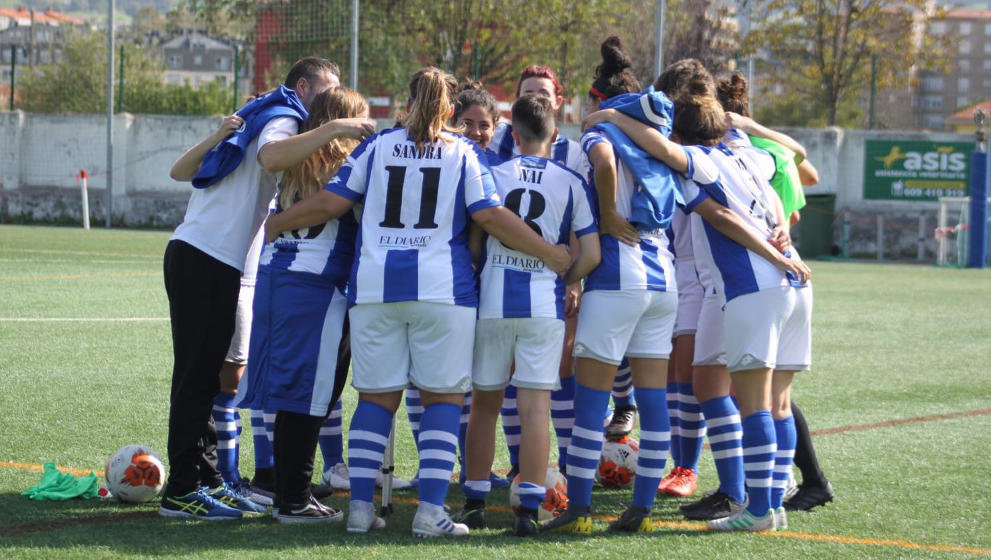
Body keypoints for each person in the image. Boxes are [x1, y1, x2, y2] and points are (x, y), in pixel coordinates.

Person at [264, 67, 571, 537]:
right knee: (443, 400)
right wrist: (550, 252)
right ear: (450, 111)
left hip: (374, 290)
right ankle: (430, 513)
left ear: (405, 105)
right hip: (441, 292)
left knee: (375, 399)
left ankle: (361, 512)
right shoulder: (463, 151)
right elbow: (489, 215)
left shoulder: (376, 146)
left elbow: (330, 202)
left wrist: (277, 223)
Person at [585, 75, 812, 532]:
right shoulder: (749, 155)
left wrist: (611, 116)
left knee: (753, 405)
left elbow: (717, 207)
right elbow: (783, 180)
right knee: (777, 404)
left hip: (755, 286)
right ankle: (773, 502)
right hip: (797, 284)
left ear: (681, 133)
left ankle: (759, 509)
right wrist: (781, 247)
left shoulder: (701, 162)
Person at [160, 56, 373, 520]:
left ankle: (207, 479)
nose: (331, 101)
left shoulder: (267, 113)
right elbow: (272, 157)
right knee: (197, 379)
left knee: (213, 378)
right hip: (205, 256)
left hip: (214, 258)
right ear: (304, 86)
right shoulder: (283, 115)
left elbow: (182, 171)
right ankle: (180, 490)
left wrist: (221, 136)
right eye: (327, 90)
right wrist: (338, 125)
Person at [545, 37, 679, 534]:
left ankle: (578, 511)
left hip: (617, 276)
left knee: (591, 403)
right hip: (662, 277)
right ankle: (640, 509)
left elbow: (601, 164)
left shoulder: (601, 129)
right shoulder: (656, 137)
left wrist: (605, 214)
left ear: (598, 99)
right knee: (653, 401)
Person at [457, 94, 600, 536]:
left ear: (511, 134)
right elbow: (591, 254)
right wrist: (563, 276)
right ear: (555, 135)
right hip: (543, 306)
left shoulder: (491, 173)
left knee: (484, 403)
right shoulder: (571, 181)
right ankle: (528, 507)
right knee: (536, 408)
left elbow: (476, 245)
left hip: (494, 302)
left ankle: (476, 502)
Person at [238, 87, 368, 522]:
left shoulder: (299, 159)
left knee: (293, 393)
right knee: (310, 399)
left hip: (274, 277)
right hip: (315, 286)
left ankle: (286, 489)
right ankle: (293, 498)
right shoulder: (347, 163)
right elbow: (334, 206)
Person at [716, 72, 833, 511]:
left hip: (759, 270)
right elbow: (809, 166)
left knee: (752, 398)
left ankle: (763, 499)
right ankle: (789, 486)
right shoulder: (770, 150)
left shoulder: (729, 155)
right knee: (777, 398)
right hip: (790, 266)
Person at [403, 81, 509, 490]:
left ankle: (473, 467)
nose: (477, 132)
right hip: (443, 284)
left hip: (487, 285)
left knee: (476, 380)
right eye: (468, 123)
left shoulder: (499, 167)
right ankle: (431, 466)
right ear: (451, 122)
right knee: (428, 379)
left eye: (485, 125)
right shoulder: (447, 159)